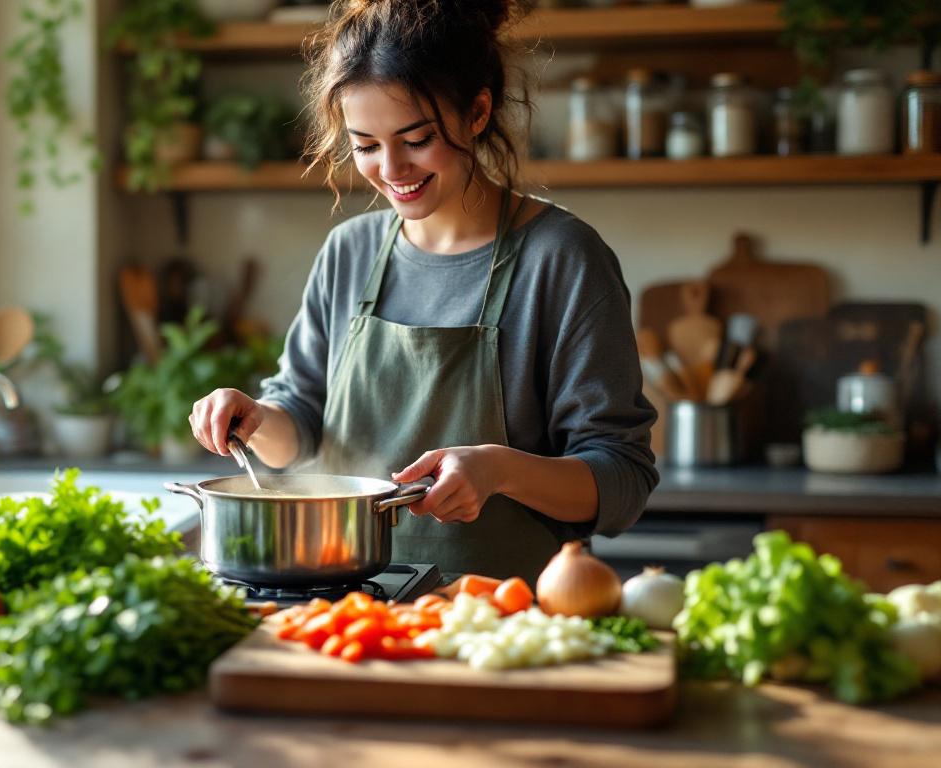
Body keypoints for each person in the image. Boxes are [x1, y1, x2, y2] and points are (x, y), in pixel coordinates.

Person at [187, 0, 657, 582]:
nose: (391, 169)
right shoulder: (349, 252)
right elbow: (301, 434)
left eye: (417, 138)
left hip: (496, 628)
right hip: (348, 614)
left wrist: (499, 471)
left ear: (478, 111)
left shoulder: (562, 258)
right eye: (364, 145)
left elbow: (622, 478)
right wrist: (255, 420)